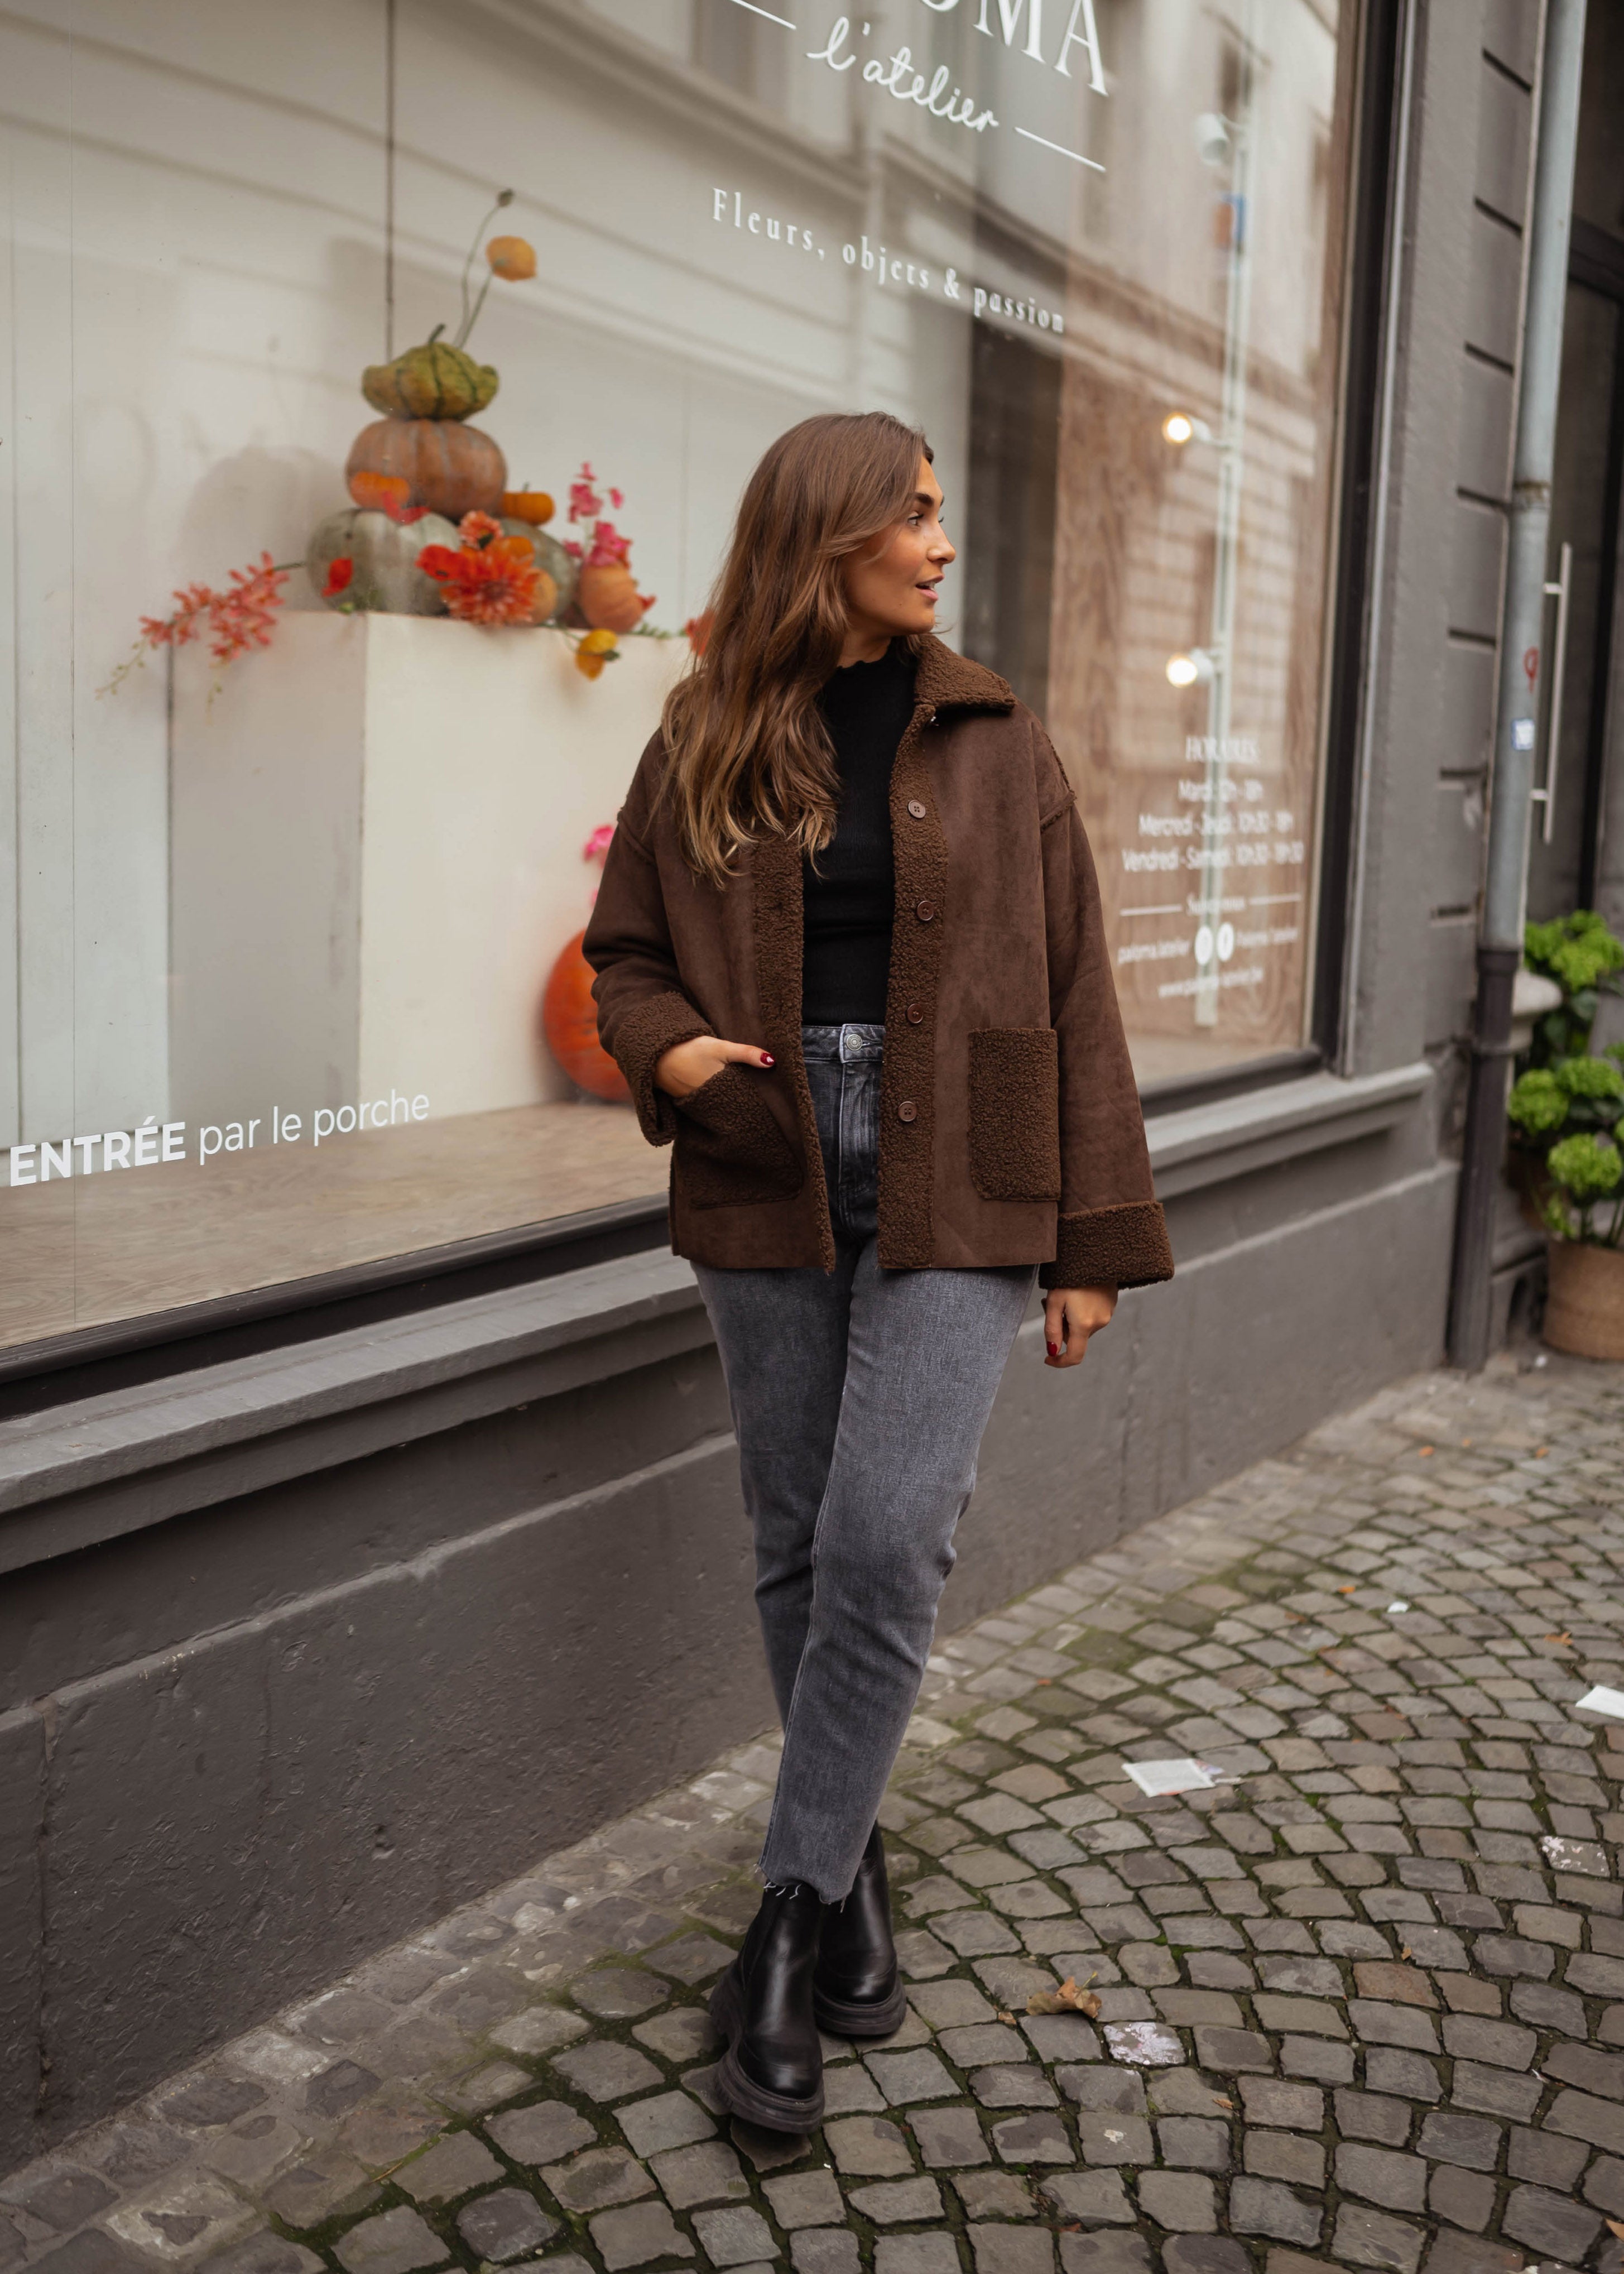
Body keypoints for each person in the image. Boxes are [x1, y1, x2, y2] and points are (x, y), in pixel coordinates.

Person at [583, 410, 1172, 2133]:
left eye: (936, 513)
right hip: (765, 1152)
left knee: (884, 1533)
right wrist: (675, 1054)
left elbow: (1076, 987)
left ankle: (783, 1916)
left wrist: (1090, 1240)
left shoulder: (995, 730)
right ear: (825, 532)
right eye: (911, 514)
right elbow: (623, 953)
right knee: (793, 1537)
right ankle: (851, 1869)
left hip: (963, 1168)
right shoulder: (702, 729)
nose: (940, 541)